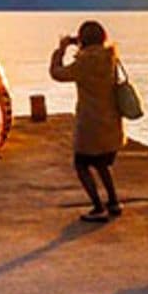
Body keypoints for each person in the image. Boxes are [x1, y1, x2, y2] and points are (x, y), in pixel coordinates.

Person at [50, 20, 126, 222]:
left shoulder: (84, 62)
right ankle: (113, 201)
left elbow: (57, 73)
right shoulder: (110, 58)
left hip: (91, 124)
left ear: (82, 39)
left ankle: (98, 207)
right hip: (111, 123)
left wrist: (61, 50)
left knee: (81, 164)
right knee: (102, 163)